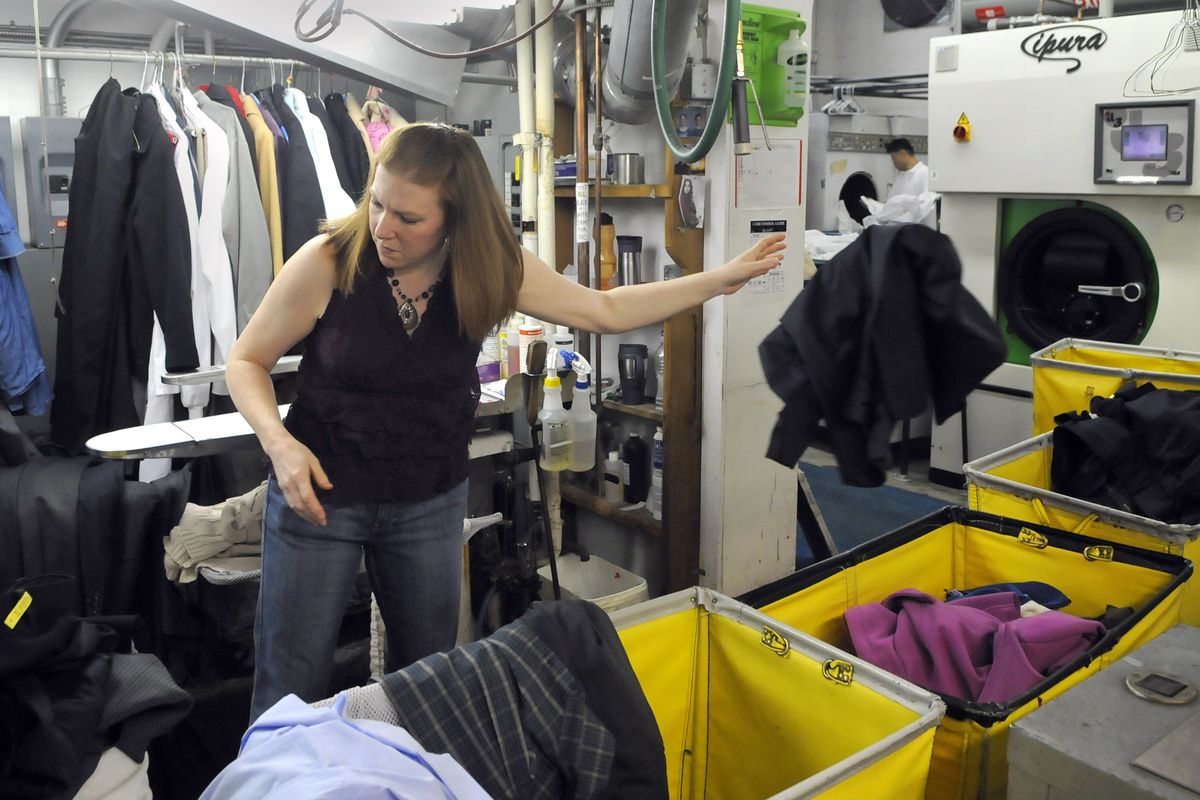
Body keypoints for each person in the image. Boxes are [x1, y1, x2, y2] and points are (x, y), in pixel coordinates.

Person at [227, 121, 786, 721]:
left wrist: (722, 279)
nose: (383, 228)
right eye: (378, 204)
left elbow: (603, 309)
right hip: (320, 497)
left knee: (427, 686)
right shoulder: (331, 260)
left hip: (427, 501)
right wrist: (280, 445)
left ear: (455, 219)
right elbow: (247, 361)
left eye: (409, 218)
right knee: (290, 689)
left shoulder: (489, 268)